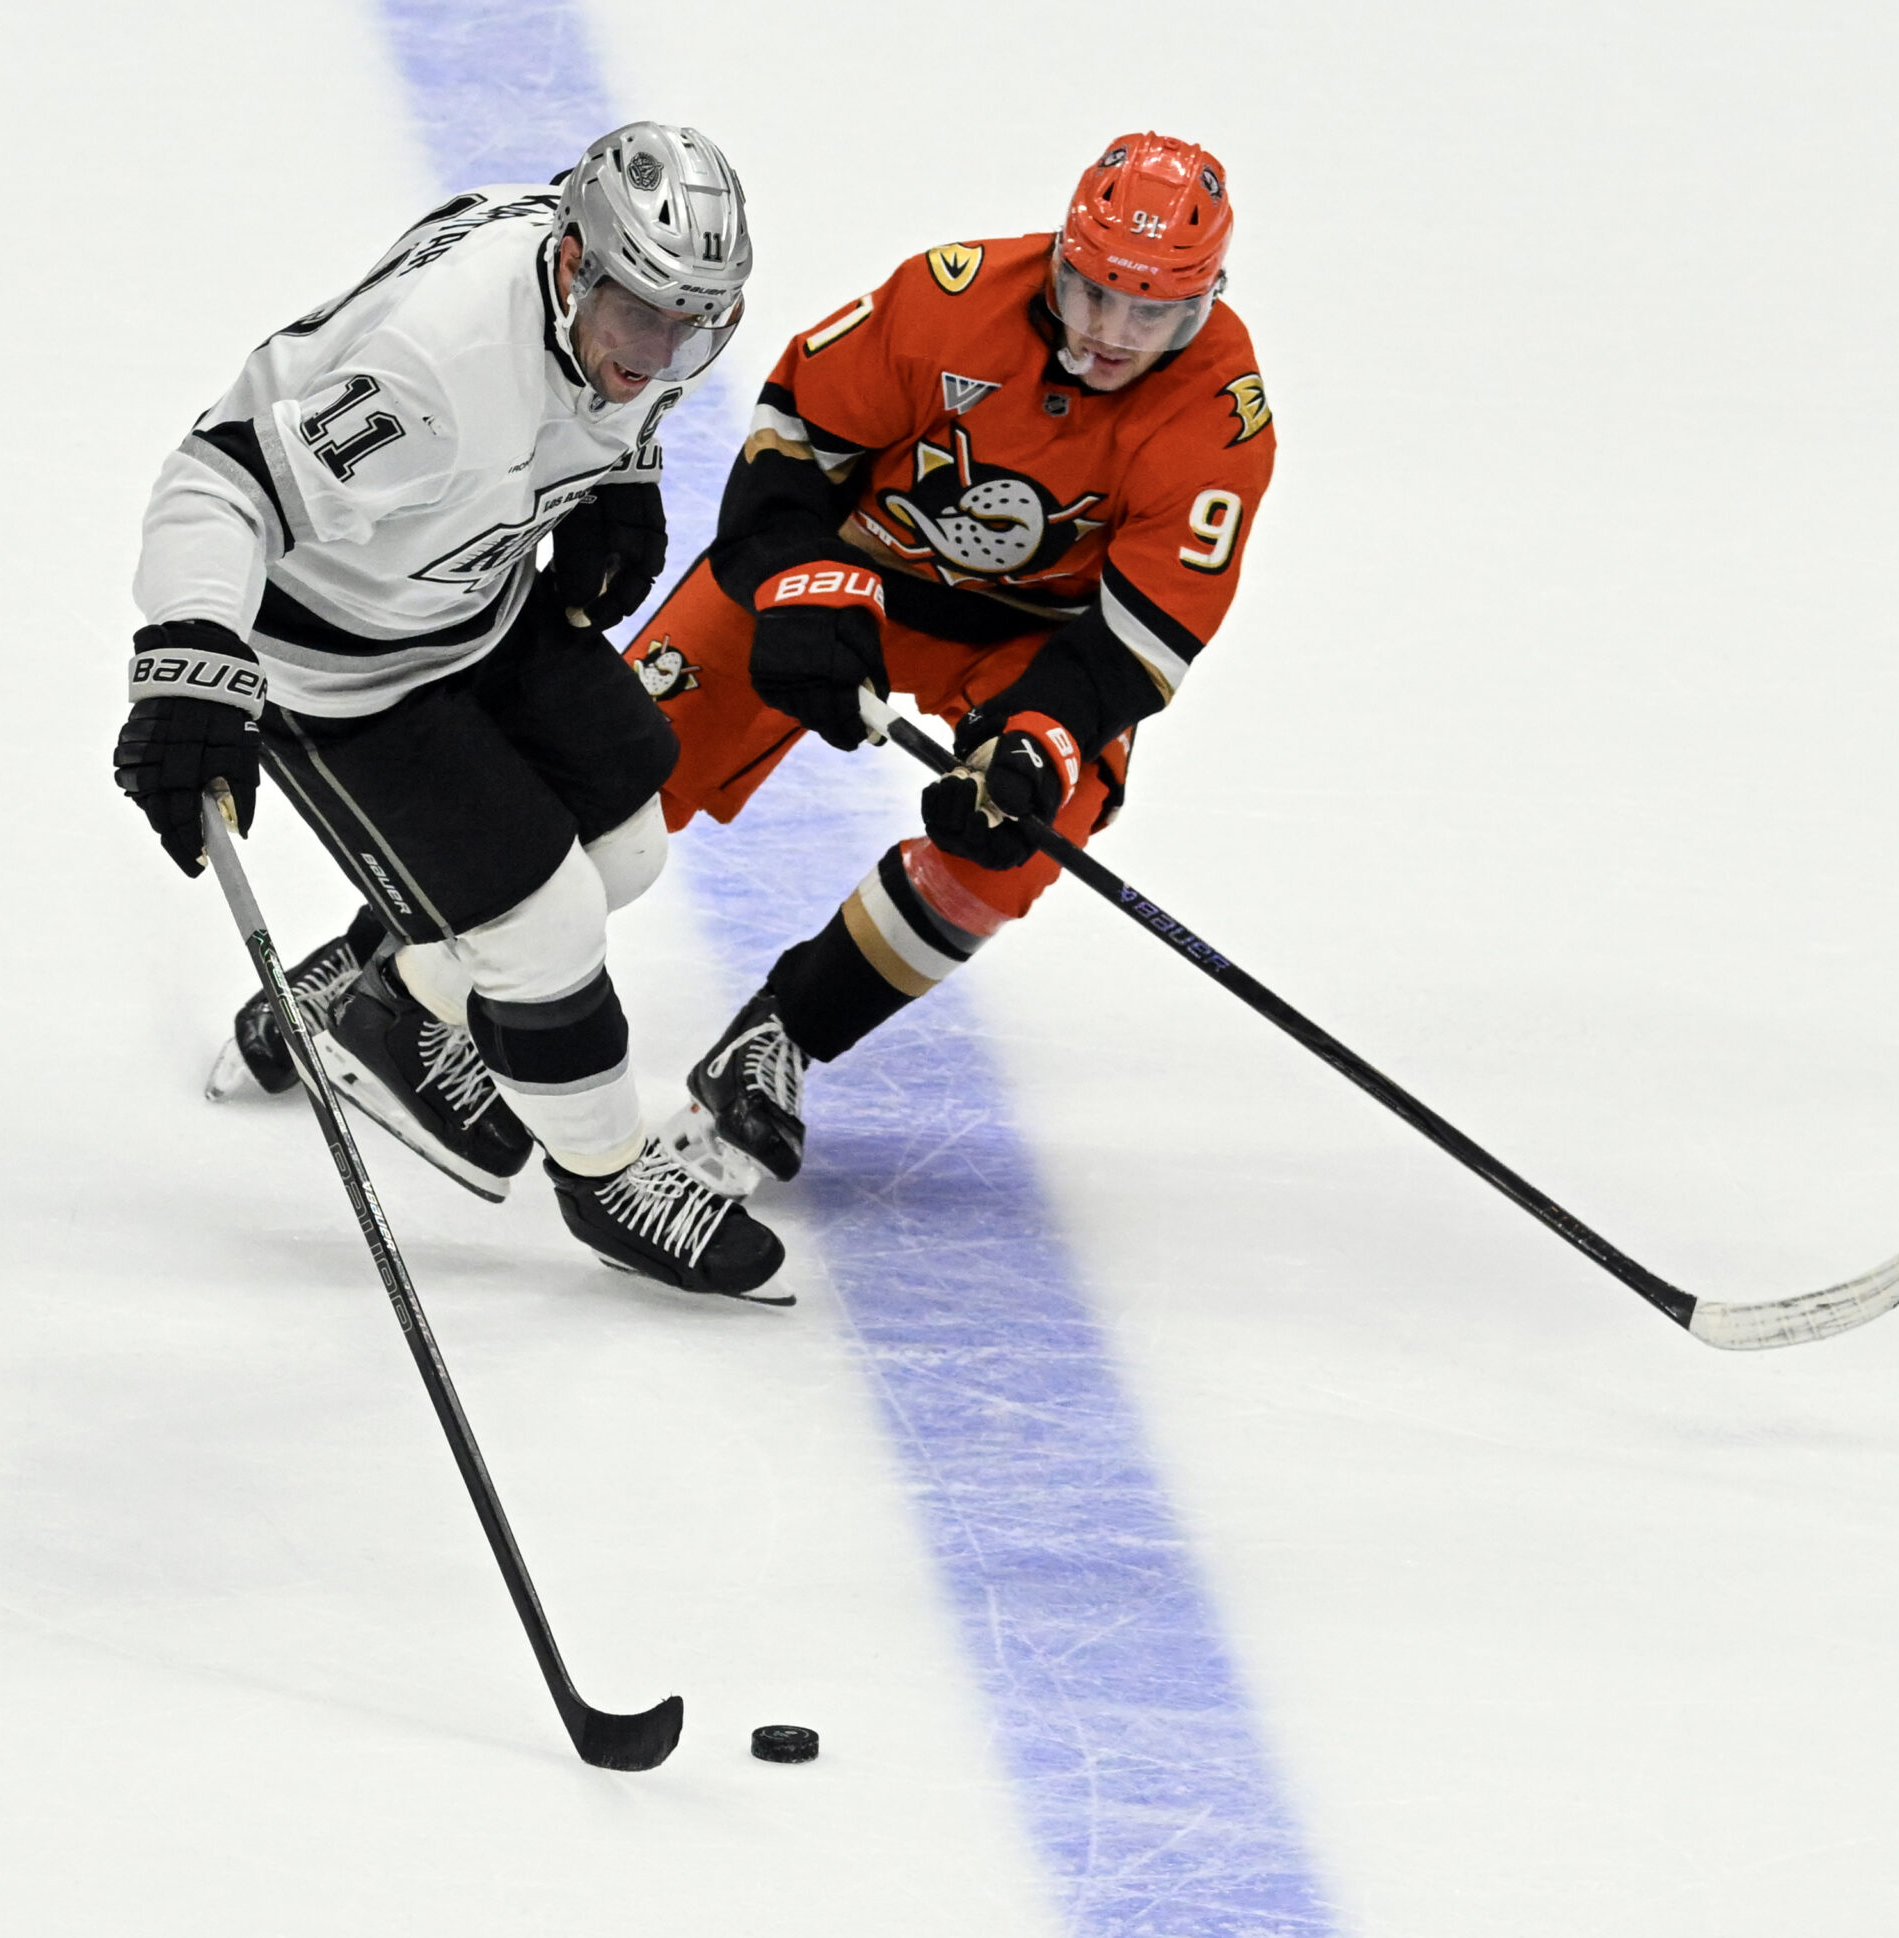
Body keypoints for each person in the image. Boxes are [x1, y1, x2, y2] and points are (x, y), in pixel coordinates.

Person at [112, 123, 788, 1302]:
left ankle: (387, 1000)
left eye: (695, 321)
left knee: (626, 842)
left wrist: (619, 476)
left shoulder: (616, 298)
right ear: (575, 262)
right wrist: (187, 657)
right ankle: (605, 1176)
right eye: (640, 311)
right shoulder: (439, 372)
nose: (663, 349)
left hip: (477, 600)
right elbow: (214, 482)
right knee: (547, 927)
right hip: (341, 669)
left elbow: (625, 372)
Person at [633, 132, 1277, 1192]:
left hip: (1029, 642)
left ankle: (776, 1041)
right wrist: (800, 586)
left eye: (1149, 311)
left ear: (1201, 302)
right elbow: (787, 440)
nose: (1111, 334)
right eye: (1093, 294)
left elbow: (1142, 634)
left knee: (1026, 831)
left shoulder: (1220, 419)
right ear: (1062, 260)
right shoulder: (948, 300)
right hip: (854, 575)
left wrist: (1040, 735)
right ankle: (397, 954)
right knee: (618, 751)